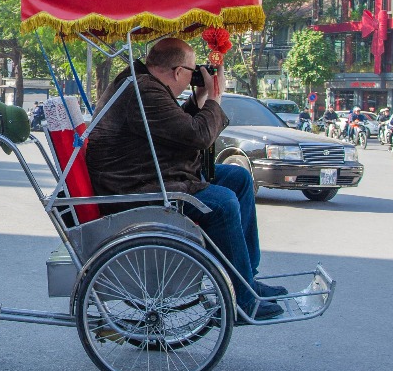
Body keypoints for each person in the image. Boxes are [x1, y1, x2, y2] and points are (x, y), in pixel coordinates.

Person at [85, 37, 285, 320]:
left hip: (150, 176)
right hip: (137, 188)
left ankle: (245, 280)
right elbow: (197, 136)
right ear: (178, 72)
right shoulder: (142, 90)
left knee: (238, 179)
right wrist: (216, 98)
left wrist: (201, 98)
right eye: (193, 71)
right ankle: (240, 299)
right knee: (222, 202)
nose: (194, 76)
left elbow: (177, 128)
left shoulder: (142, 84)